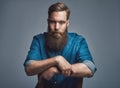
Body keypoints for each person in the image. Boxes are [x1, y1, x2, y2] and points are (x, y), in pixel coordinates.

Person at [24, 2, 97, 88]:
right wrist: (56, 60)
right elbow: (29, 68)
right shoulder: (38, 40)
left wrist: (55, 70)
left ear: (67, 23)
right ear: (48, 22)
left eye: (61, 22)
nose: (57, 27)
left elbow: (90, 68)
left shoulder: (78, 41)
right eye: (53, 22)